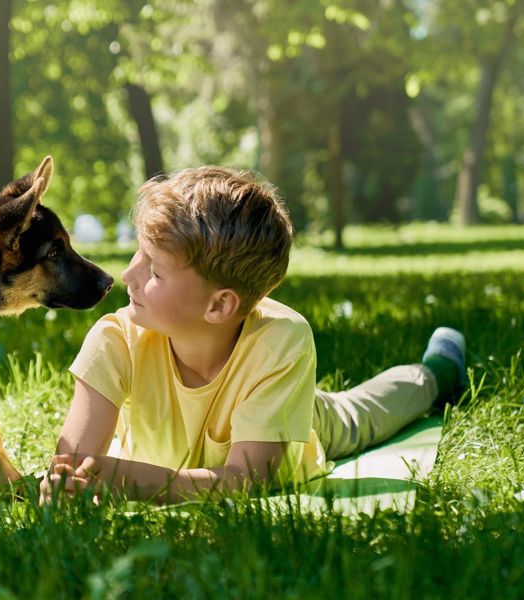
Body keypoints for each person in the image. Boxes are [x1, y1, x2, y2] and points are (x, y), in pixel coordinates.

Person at [40, 166, 465, 504]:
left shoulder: (281, 342)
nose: (128, 275)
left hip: (291, 425)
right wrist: (64, 485)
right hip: (256, 409)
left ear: (219, 306)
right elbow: (69, 465)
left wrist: (140, 482)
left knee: (359, 416)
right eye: (138, 253)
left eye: (153, 270)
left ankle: (438, 370)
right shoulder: (115, 339)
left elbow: (247, 482)